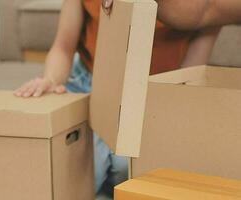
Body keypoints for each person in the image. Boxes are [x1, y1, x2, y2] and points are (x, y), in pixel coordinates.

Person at [14, 0, 241, 196]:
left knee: (130, 170)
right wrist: (52, 79)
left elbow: (188, 79)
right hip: (90, 85)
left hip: (151, 96)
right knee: (80, 173)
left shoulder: (204, 10)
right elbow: (63, 46)